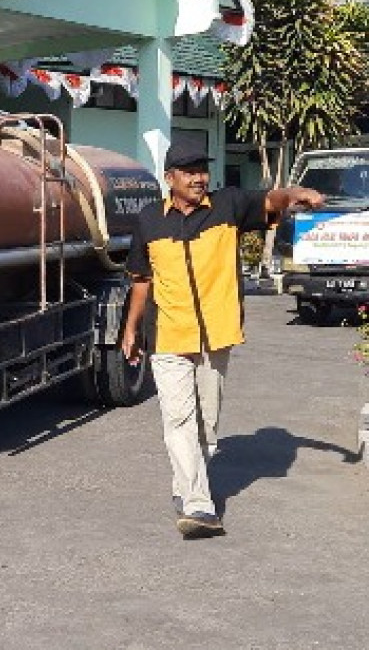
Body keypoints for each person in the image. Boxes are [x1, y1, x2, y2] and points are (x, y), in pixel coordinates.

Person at [120, 145, 323, 539]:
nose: (199, 178)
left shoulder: (228, 206)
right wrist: (130, 328)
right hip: (168, 335)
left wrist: (293, 192)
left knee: (206, 424)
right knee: (178, 419)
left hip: (216, 334)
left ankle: (187, 485)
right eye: (190, 171)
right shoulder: (149, 221)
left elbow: (269, 199)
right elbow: (141, 281)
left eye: (202, 170)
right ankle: (198, 504)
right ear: (170, 179)